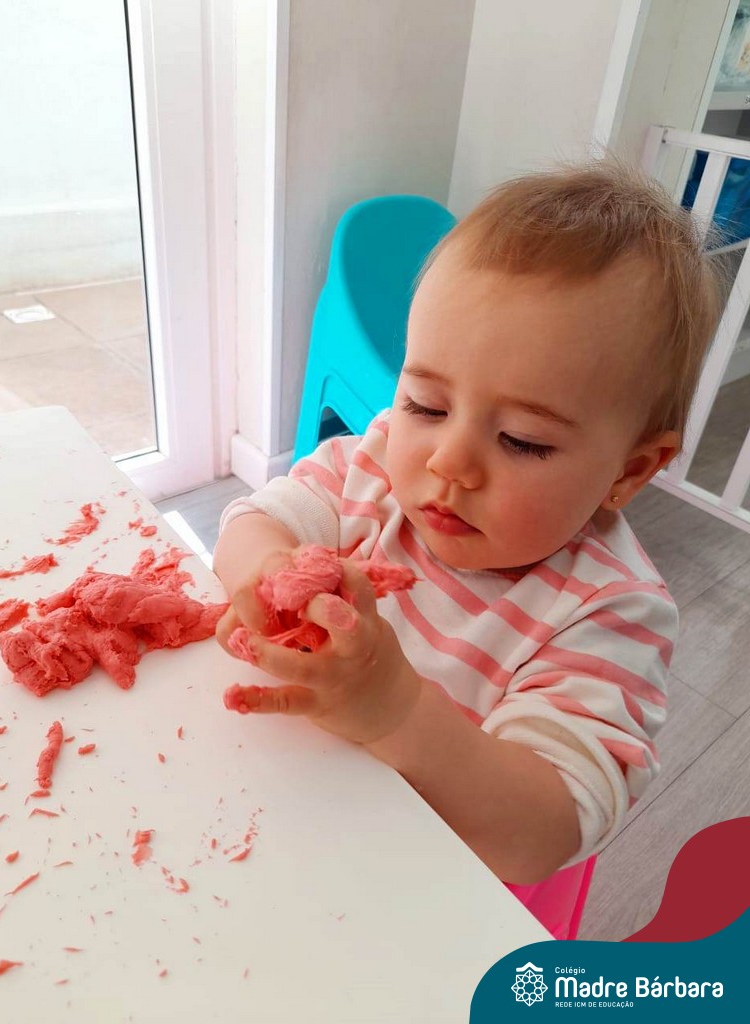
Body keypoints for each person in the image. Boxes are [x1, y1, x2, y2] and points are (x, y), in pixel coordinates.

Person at [212, 159, 725, 930]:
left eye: (522, 440)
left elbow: (543, 831)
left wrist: (393, 711)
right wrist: (268, 570)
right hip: (304, 829)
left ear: (629, 470)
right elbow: (255, 521)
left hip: (441, 903)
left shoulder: (609, 613)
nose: (449, 462)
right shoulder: (375, 467)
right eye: (426, 403)